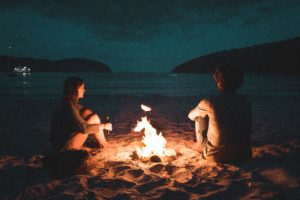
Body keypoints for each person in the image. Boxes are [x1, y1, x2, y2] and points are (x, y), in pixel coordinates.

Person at [188, 65, 252, 163]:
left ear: (219, 82)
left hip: (216, 156)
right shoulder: (245, 101)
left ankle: (199, 145)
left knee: (199, 116)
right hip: (244, 156)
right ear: (240, 82)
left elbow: (190, 115)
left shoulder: (210, 101)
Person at [50, 76, 112, 154]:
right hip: (63, 149)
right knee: (94, 118)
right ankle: (104, 145)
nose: (84, 90)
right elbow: (84, 129)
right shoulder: (69, 106)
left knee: (87, 112)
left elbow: (86, 112)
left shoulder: (68, 103)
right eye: (82, 87)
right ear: (76, 89)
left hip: (59, 143)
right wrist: (104, 126)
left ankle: (103, 144)